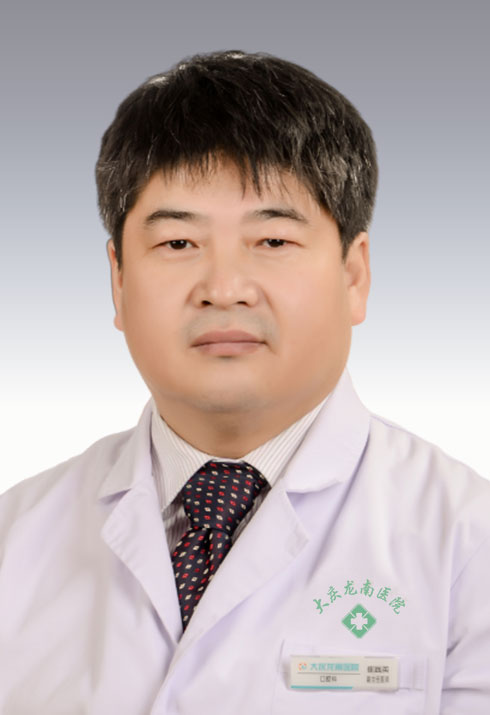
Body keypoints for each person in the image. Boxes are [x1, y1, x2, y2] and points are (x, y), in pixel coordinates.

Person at [0, 50, 489, 715]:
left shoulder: (469, 542)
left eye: (273, 241)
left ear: (354, 276)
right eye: (178, 243)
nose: (224, 288)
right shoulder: (15, 538)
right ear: (118, 280)